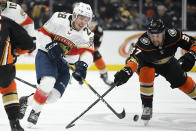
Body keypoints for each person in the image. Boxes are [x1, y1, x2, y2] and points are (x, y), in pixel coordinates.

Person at [18, 2, 94, 127]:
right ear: (74, 15)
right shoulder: (59, 18)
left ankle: (26, 101)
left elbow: (88, 53)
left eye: (86, 19)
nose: (83, 22)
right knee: (48, 81)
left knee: (53, 97)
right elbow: (42, 33)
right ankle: (36, 111)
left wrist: (83, 65)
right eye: (81, 18)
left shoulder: (88, 34)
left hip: (65, 64)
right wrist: (51, 45)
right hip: (47, 55)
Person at [114, 18, 196, 126]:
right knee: (146, 73)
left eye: (157, 36)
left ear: (164, 33)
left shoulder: (174, 35)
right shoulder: (143, 42)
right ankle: (147, 106)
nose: (154, 39)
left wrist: (191, 55)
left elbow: (194, 43)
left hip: (167, 62)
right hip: (147, 63)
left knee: (185, 84)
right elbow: (134, 59)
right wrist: (127, 71)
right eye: (152, 36)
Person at [0, 15, 35, 131]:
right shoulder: (6, 22)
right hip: (3, 68)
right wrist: (15, 52)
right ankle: (15, 124)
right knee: (9, 90)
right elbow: (29, 44)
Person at [87, 20, 114, 86]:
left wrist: (91, 50)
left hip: (91, 48)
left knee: (100, 61)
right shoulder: (81, 27)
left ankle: (105, 78)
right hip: (79, 47)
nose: (91, 25)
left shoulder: (99, 31)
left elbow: (97, 45)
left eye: (93, 23)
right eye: (90, 23)